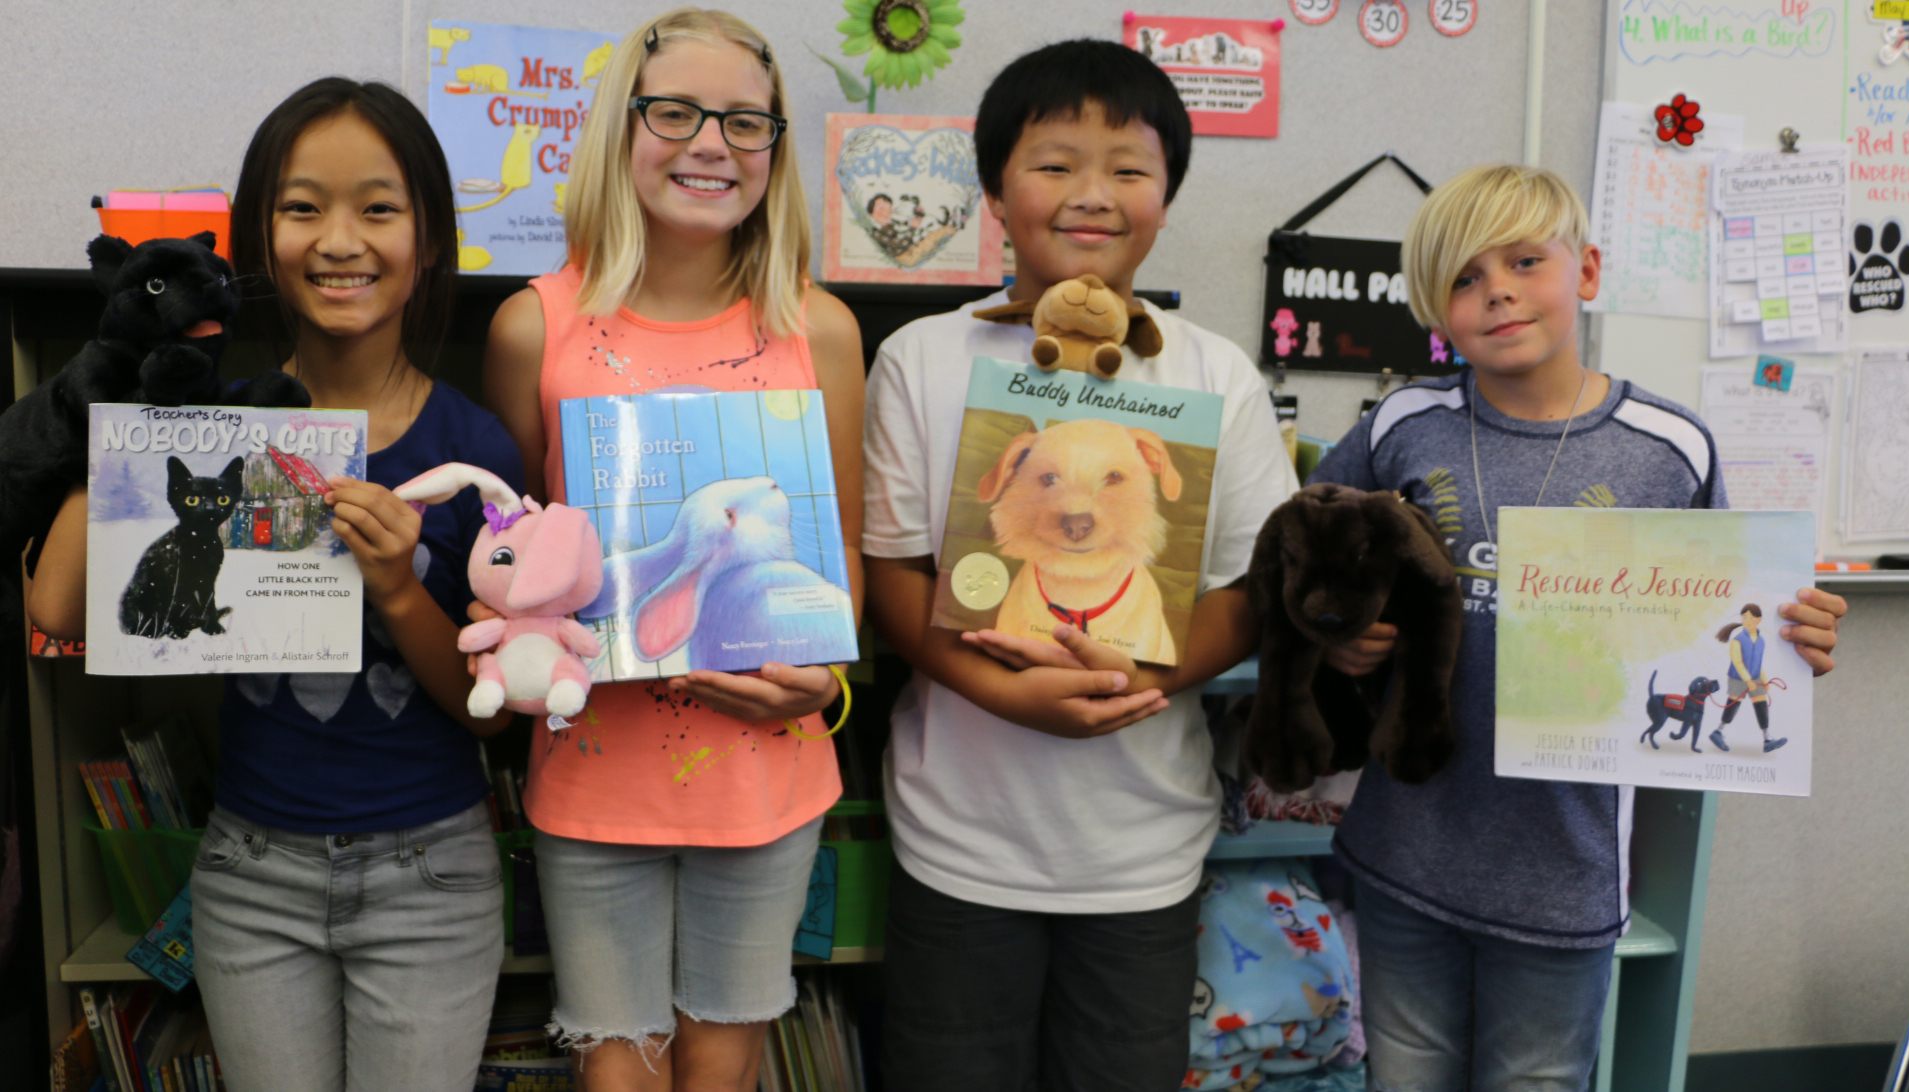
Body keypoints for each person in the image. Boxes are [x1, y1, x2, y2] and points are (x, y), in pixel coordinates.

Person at [28, 77, 522, 1091]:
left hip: (434, 874)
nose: (340, 239)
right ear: (259, 239)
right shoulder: (212, 422)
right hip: (252, 877)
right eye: (303, 208)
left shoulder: (473, 451)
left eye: (379, 208)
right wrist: (125, 419)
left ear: (429, 240)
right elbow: (56, 608)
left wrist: (396, 588)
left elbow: (488, 721)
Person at [1310, 163, 1847, 1090]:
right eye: (1465, 278)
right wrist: (1336, 634)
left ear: (1588, 271)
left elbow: (1727, 610)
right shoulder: (1401, 424)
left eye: (1525, 261)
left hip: (1565, 871)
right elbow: (1311, 556)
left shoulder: (1667, 446)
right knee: (1403, 1078)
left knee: (1539, 1081)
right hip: (1408, 851)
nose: (1499, 293)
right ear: (1435, 309)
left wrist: (1794, 642)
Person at [860, 38, 1298, 1092]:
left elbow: (1249, 593)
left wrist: (1134, 680)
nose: (1091, 195)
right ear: (996, 192)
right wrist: (1004, 696)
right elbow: (891, 580)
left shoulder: (1216, 374)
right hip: (958, 840)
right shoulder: (922, 357)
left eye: (1129, 169)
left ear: (1167, 194)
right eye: (1055, 164)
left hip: (1141, 853)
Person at [478, 10, 864, 1092]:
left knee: (724, 1067)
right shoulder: (535, 329)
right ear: (620, 129)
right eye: (677, 113)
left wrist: (821, 684)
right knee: (616, 1075)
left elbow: (842, 569)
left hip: (768, 773)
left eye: (747, 121)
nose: (712, 143)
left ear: (776, 147)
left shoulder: (817, 330)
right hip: (595, 770)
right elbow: (511, 550)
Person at [1713, 602, 1783, 752]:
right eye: (1743, 618)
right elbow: (1737, 662)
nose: (1745, 621)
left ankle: (1767, 739)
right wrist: (1748, 680)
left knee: (1761, 704)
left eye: (1749, 618)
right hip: (1738, 677)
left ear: (1758, 620)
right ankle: (1718, 732)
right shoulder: (1737, 640)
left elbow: (1759, 662)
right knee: (1734, 703)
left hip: (1755, 677)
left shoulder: (1761, 641)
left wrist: (1763, 679)